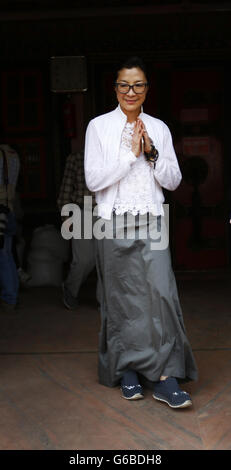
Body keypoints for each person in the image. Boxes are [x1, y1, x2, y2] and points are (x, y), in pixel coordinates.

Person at [84, 56, 198, 409]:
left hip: (151, 220)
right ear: (115, 88)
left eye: (138, 85)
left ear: (147, 88)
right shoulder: (98, 127)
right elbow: (93, 181)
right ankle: (128, 370)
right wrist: (127, 156)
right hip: (112, 220)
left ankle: (166, 377)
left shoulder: (159, 127)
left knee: (161, 295)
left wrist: (151, 154)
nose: (130, 91)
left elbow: (174, 180)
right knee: (120, 299)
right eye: (124, 85)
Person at [57, 150, 96, 310]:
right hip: (83, 211)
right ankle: (70, 289)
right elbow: (66, 189)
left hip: (108, 212)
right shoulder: (76, 157)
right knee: (83, 260)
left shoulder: (111, 155)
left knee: (105, 260)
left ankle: (104, 300)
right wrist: (65, 216)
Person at [0, 143, 20, 313]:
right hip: (9, 208)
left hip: (0, 208)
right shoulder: (12, 154)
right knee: (7, 254)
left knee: (3, 256)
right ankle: (12, 295)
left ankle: (9, 297)